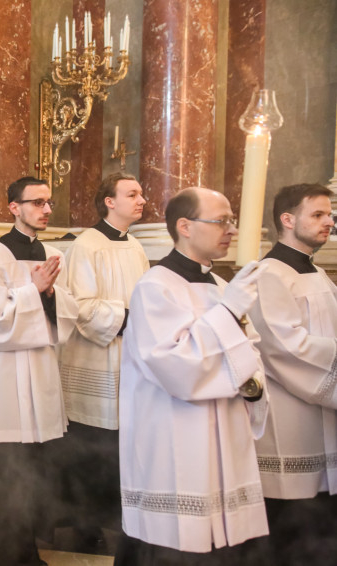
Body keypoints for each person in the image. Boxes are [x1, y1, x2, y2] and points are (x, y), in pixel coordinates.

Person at [116, 187, 269, 564]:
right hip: (177, 438)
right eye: (221, 221)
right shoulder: (155, 286)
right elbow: (176, 366)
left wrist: (252, 385)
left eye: (232, 220)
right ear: (185, 226)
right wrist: (228, 313)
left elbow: (250, 351)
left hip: (225, 435)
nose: (231, 229)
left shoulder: (222, 287)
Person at [0, 176, 78, 566]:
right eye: (37, 203)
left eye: (49, 203)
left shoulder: (51, 253)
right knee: (0, 474)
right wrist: (34, 290)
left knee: (31, 473)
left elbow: (68, 312)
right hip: (0, 382)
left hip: (39, 377)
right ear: (14, 207)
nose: (46, 210)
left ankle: (26, 554)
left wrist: (51, 293)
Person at [58, 172, 149, 549]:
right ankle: (85, 521)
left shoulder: (136, 246)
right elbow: (80, 305)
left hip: (130, 358)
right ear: (110, 202)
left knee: (122, 444)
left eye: (141, 194)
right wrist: (130, 318)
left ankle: (119, 514)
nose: (142, 200)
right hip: (95, 359)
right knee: (91, 445)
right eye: (133, 194)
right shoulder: (87, 245)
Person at [248, 183, 337, 565]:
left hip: (323, 418)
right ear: (287, 219)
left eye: (329, 214)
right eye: (317, 214)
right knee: (293, 526)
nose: (328, 222)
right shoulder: (269, 275)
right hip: (291, 420)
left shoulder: (315, 272)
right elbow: (285, 347)